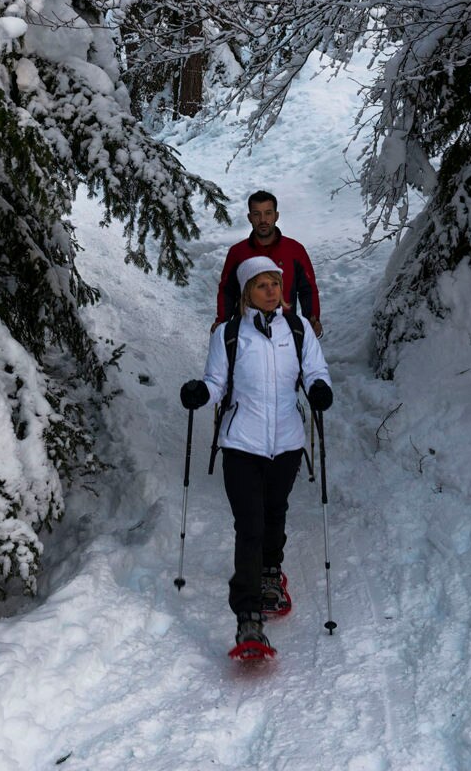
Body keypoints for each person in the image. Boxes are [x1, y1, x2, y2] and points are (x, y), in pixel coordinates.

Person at [180, 256, 333, 651]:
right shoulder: (229, 334)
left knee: (275, 510)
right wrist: (201, 393)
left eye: (276, 285)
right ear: (248, 291)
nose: (271, 292)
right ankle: (248, 618)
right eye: (263, 285)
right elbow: (217, 382)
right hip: (241, 443)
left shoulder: (297, 330)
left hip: (286, 441)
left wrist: (319, 388)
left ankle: (271, 571)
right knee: (249, 525)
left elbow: (316, 370)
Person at [213, 190, 323, 338]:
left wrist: (312, 320)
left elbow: (307, 290)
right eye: (257, 214)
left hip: (286, 332)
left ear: (276, 216)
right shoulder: (237, 253)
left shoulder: (295, 250)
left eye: (268, 213)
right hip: (245, 335)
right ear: (250, 217)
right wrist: (222, 322)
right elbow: (227, 291)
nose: (263, 219)